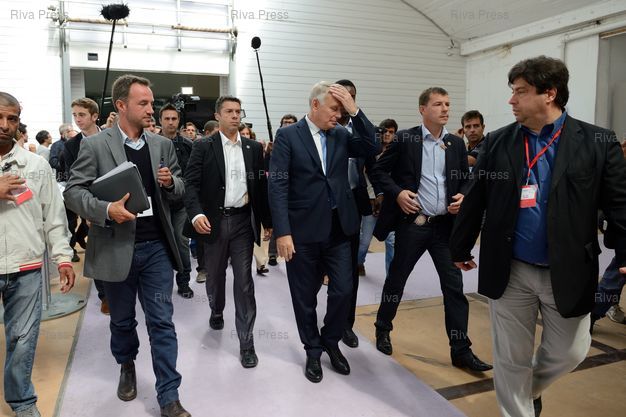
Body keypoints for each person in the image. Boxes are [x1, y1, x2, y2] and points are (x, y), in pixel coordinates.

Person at [450, 56, 626, 417]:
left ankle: (527, 389)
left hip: (569, 268)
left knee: (571, 352)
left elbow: (620, 204)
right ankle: (518, 404)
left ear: (550, 93)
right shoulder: (499, 141)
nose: (511, 100)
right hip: (510, 269)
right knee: (510, 358)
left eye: (520, 92)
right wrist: (460, 246)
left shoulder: (597, 141)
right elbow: (476, 195)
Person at [64, 75, 191, 417]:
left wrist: (171, 183)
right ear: (121, 106)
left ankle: (169, 396)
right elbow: (74, 192)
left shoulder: (162, 145)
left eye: (151, 102)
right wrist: (107, 210)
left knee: (162, 322)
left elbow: (180, 189)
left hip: (157, 249)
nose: (151, 109)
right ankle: (126, 364)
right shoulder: (94, 145)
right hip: (114, 248)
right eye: (143, 103)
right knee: (122, 322)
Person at [369, 87, 492, 373]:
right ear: (423, 109)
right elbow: (378, 171)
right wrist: (398, 193)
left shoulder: (455, 143)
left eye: (447, 104)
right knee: (397, 280)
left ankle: (461, 350)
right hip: (414, 225)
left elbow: (466, 179)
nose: (445, 109)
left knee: (454, 288)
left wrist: (463, 195)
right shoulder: (406, 139)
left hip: (445, 229)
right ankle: (383, 328)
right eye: (438, 104)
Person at [269, 81, 379, 383]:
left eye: (342, 110)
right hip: (302, 232)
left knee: (343, 290)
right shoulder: (288, 136)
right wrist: (283, 232)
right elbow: (277, 184)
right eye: (334, 109)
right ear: (315, 105)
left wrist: (355, 111)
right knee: (304, 296)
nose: (338, 115)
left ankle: (331, 339)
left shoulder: (342, 134)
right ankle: (313, 350)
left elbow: (372, 147)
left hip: (339, 229)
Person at [0, 91, 76, 417]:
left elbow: (54, 217)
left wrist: (63, 257)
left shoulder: (36, 166)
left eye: (12, 118)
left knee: (22, 339)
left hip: (26, 266)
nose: (5, 125)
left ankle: (22, 402)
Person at [184, 95, 272, 368]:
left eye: (238, 111)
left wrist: (268, 222)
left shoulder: (253, 148)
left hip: (243, 221)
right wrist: (196, 214)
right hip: (214, 221)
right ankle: (216, 308)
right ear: (218, 115)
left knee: (244, 282)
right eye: (229, 111)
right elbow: (190, 184)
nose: (235, 116)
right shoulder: (203, 146)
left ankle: (247, 343)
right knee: (215, 276)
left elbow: (260, 188)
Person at [159, 103, 194, 298]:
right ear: (160, 120)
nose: (171, 122)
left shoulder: (189, 145)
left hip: (181, 203)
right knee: (159, 245)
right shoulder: (151, 143)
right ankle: (160, 284)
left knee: (181, 241)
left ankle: (184, 281)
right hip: (158, 204)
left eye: (174, 118)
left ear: (179, 121)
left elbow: (195, 175)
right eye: (167, 118)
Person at [357, 118, 398, 277]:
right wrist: (373, 197)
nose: (387, 134)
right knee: (365, 241)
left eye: (391, 132)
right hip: (371, 200)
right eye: (384, 131)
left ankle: (391, 278)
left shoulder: (398, 152)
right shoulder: (370, 152)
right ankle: (359, 262)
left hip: (391, 203)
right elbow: (365, 176)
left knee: (392, 241)